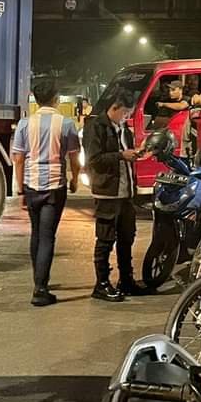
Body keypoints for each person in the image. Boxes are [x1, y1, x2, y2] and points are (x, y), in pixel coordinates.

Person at [12, 76, 82, 307]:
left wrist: (20, 188)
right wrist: (74, 180)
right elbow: (74, 158)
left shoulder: (25, 124)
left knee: (36, 234)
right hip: (54, 186)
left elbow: (18, 159)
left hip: (31, 185)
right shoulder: (67, 124)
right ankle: (41, 289)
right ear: (56, 98)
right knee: (47, 236)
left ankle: (39, 279)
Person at [83, 88, 151, 302]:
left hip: (125, 192)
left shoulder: (123, 129)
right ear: (114, 108)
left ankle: (126, 280)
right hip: (107, 192)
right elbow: (94, 160)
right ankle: (102, 284)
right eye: (125, 113)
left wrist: (137, 153)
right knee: (105, 239)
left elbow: (126, 154)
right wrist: (121, 155)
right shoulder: (97, 127)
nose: (127, 117)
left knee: (126, 237)